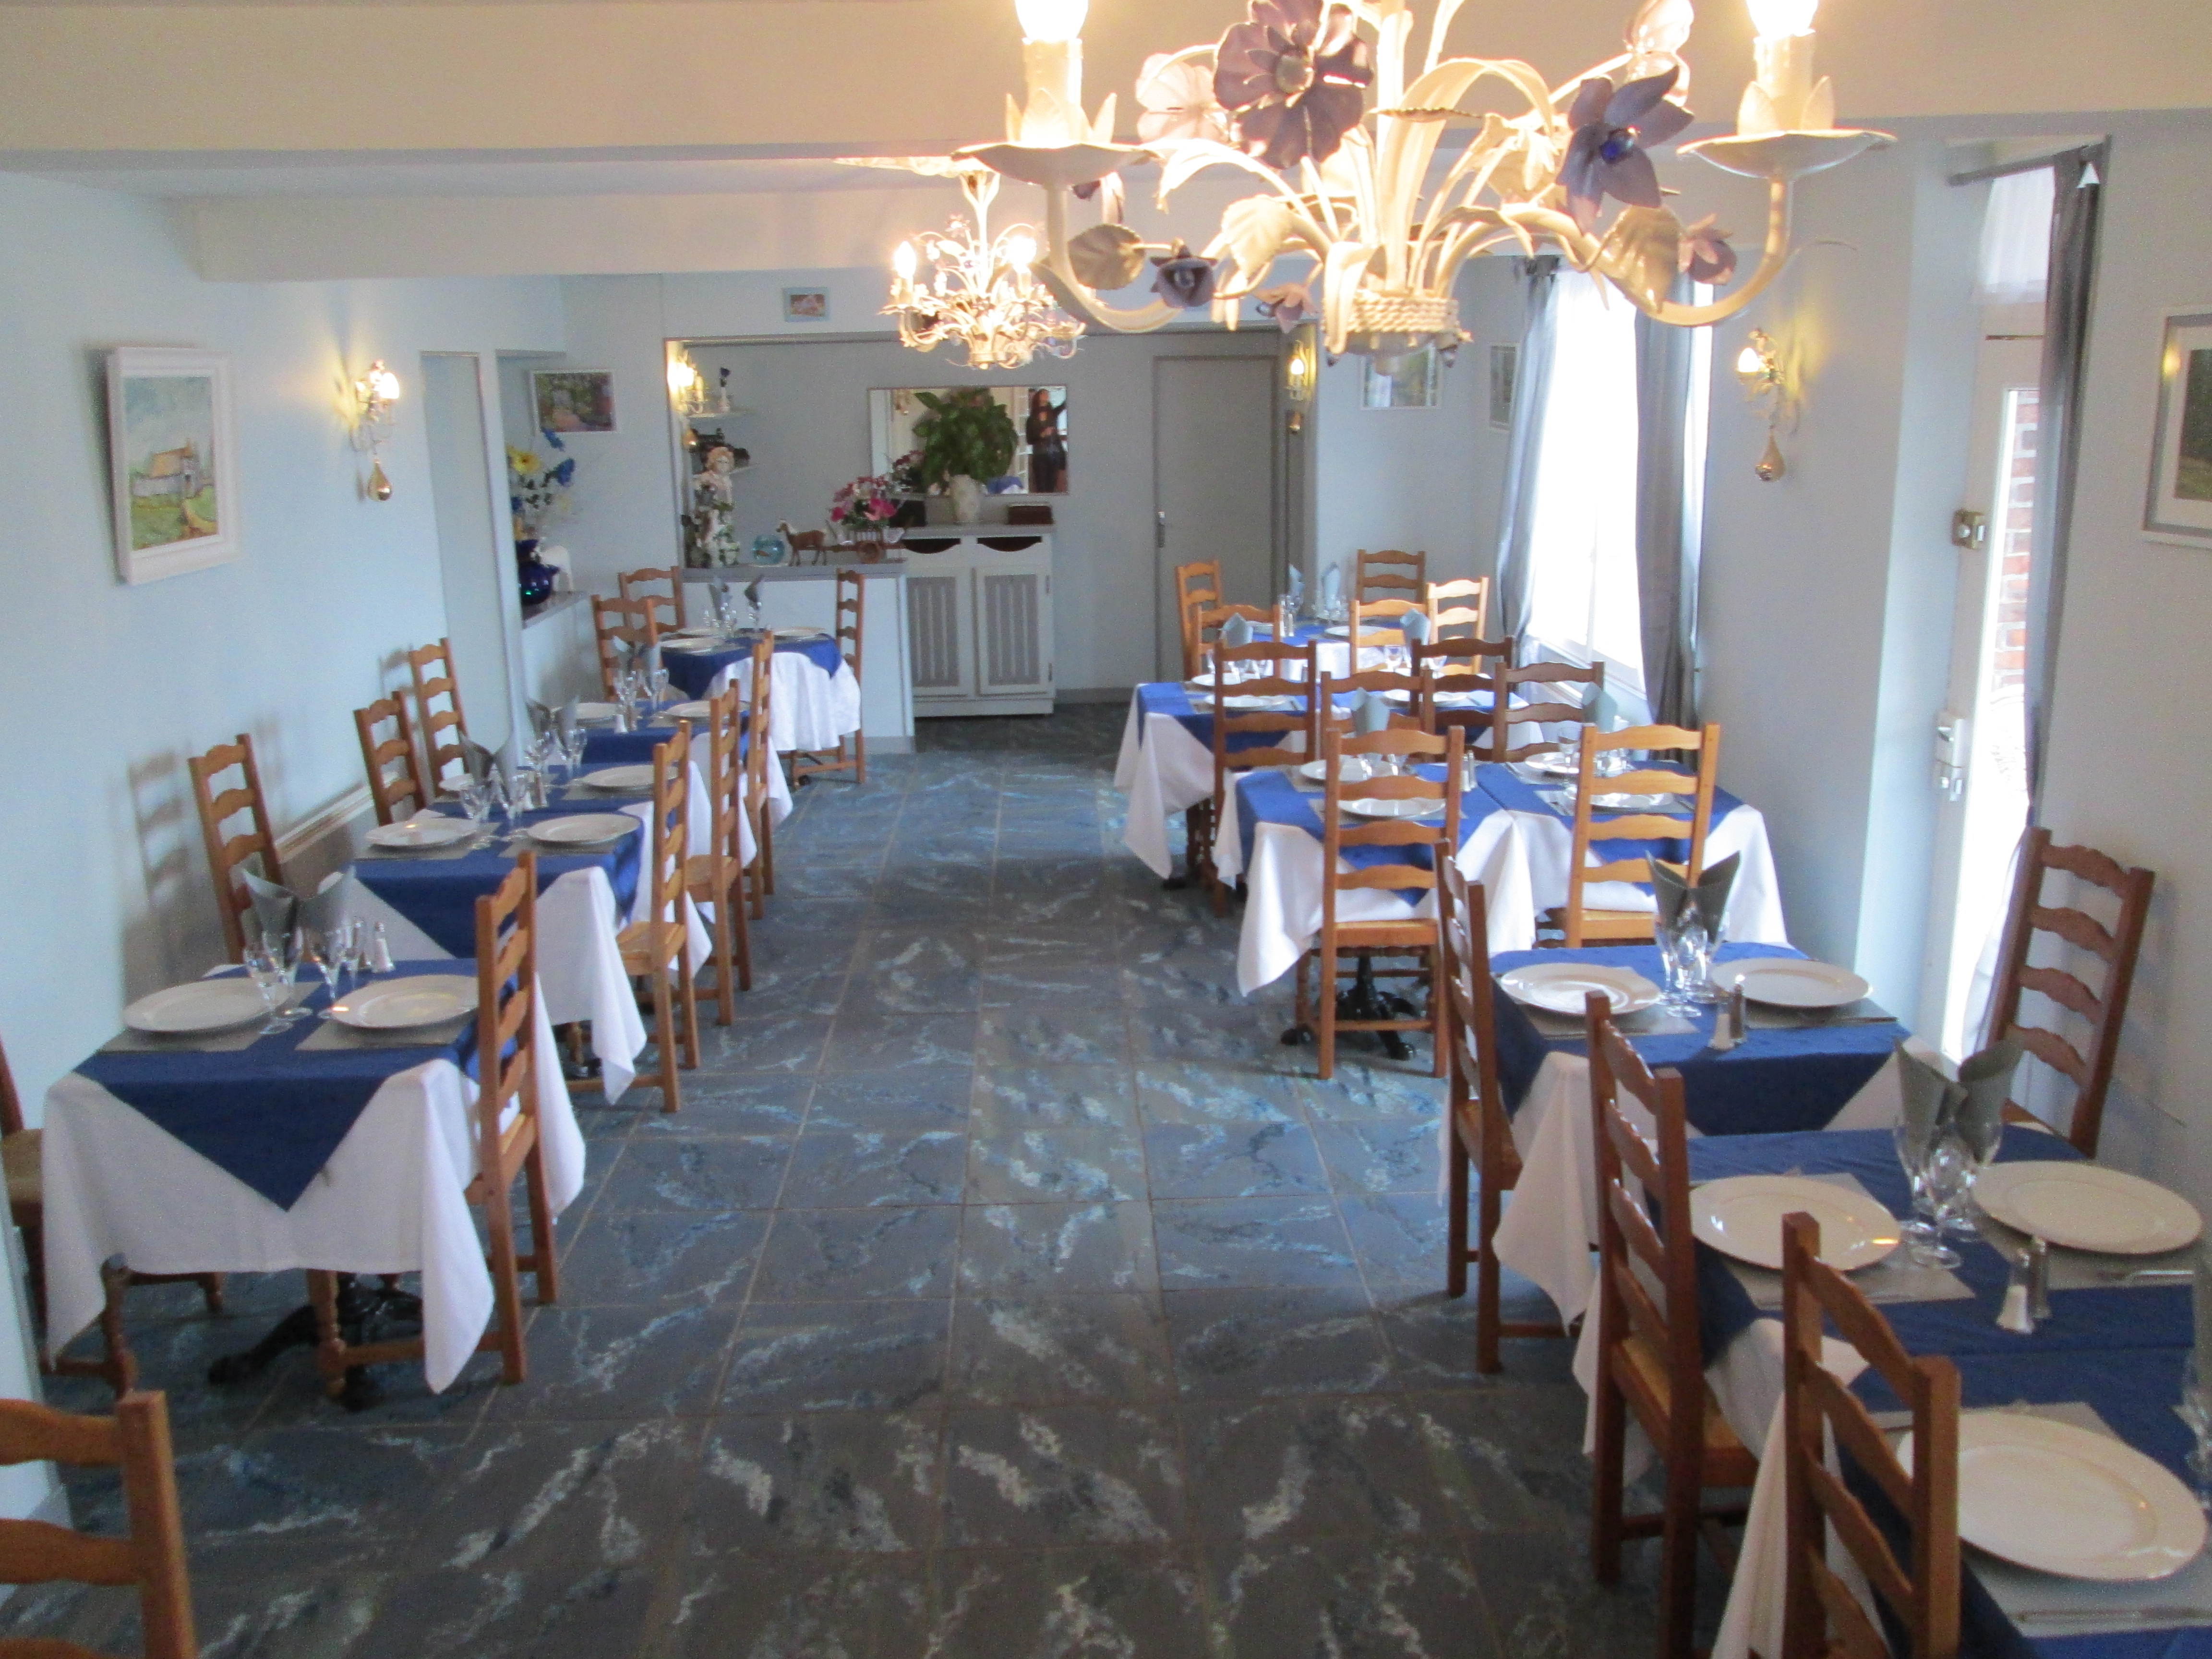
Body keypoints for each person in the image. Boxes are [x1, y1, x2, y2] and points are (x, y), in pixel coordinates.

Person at [1025, 388, 1068, 493]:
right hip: (1040, 456)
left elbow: (1064, 405)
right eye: (1043, 393)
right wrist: (1042, 435)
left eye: (1047, 393)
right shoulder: (1031, 419)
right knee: (1041, 487)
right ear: (1038, 397)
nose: (1046, 395)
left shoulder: (1053, 413)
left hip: (1054, 455)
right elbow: (1029, 440)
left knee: (1052, 487)